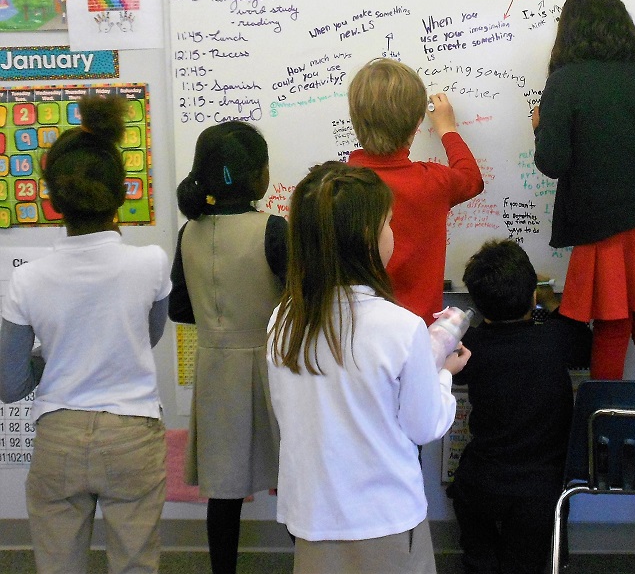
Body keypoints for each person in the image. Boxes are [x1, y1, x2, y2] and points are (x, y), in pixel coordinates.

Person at [267, 162, 470, 574]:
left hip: (310, 515)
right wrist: (443, 375)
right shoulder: (400, 326)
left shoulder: (283, 320)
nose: (393, 233)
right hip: (385, 519)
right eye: (388, 223)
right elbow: (424, 425)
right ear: (365, 237)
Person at [0, 95, 171, 574]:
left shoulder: (28, 279)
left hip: (58, 437)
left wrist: (50, 355)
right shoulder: (151, 264)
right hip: (132, 436)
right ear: (121, 191)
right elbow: (146, 336)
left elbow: (9, 384)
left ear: (54, 198)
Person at [533, 0, 635, 382]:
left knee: (611, 324)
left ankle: (600, 426)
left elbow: (552, 164)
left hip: (601, 224)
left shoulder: (564, 83)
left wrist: (539, 130)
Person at [169, 120, 286, 574]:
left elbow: (181, 309)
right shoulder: (274, 230)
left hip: (216, 370)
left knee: (224, 490)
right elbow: (299, 302)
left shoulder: (189, 234)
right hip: (273, 368)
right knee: (293, 476)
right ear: (260, 175)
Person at [449, 239, 591, 574]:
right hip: (539, 490)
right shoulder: (556, 338)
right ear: (532, 295)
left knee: (478, 559)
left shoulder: (472, 345)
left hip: (480, 482)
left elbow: (457, 366)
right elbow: (586, 348)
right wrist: (549, 300)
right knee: (523, 564)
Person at [347, 57, 484, 322]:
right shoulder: (433, 182)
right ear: (417, 122)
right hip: (422, 333)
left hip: (356, 335)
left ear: (355, 118)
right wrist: (447, 129)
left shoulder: (337, 186)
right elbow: (471, 179)